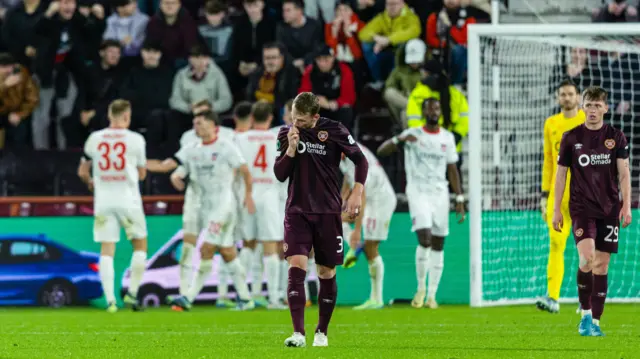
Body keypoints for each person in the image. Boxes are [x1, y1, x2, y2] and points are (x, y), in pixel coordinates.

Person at [274, 92, 369, 347]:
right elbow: (280, 174)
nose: (297, 124)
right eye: (294, 118)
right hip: (297, 211)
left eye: (302, 121)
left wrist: (357, 192)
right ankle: (298, 334)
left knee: (326, 271)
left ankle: (321, 332)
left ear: (316, 117)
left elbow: (361, 160)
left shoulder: (335, 130)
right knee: (296, 267)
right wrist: (292, 149)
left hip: (328, 212)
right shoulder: (286, 134)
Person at [553, 86, 632, 337]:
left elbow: (624, 174)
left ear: (605, 108)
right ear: (582, 106)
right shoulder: (571, 137)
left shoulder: (616, 137)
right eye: (589, 104)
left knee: (602, 266)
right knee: (586, 259)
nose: (593, 110)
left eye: (598, 105)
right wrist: (556, 209)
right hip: (581, 208)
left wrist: (626, 205)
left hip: (609, 209)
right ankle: (585, 315)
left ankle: (596, 322)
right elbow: (561, 175)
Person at [377, 97, 465, 309]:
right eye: (429, 108)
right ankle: (420, 288)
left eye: (436, 107)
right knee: (424, 238)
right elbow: (381, 151)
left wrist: (459, 198)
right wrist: (400, 140)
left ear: (440, 112)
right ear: (424, 112)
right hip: (418, 192)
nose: (433, 111)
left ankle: (432, 295)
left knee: (438, 243)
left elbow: (452, 169)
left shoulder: (447, 137)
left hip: (440, 193)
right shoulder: (413, 134)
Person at [167, 110, 257, 311]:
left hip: (223, 207)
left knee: (206, 248)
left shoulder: (225, 146)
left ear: (212, 125)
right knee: (227, 251)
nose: (196, 127)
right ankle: (246, 298)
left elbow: (244, 170)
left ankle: (188, 297)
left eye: (199, 123)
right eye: (194, 123)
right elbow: (182, 167)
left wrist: (248, 195)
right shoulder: (192, 149)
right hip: (205, 207)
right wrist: (176, 175)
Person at [77, 99, 148, 313]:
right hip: (129, 199)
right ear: (127, 116)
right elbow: (142, 173)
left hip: (104, 201)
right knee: (140, 246)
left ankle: (110, 301)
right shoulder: (136, 139)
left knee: (107, 250)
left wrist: (91, 182)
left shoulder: (94, 138)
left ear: (109, 116)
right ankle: (132, 295)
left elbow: (82, 171)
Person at [536, 80, 586, 313]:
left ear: (578, 97)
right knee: (556, 244)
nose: (566, 98)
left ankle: (585, 300)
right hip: (557, 196)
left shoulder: (588, 121)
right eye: (562, 94)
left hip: (584, 195)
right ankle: (553, 298)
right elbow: (548, 160)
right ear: (558, 98)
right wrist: (544, 195)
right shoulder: (551, 124)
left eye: (570, 94)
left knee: (586, 247)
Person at [234, 100, 288, 309]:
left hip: (248, 194)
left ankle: (243, 296)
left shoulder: (240, 138)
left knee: (247, 244)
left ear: (252, 118)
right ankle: (274, 298)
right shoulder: (278, 136)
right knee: (271, 246)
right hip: (270, 194)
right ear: (270, 118)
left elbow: (237, 168)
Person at [340, 142, 397, 310]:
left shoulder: (355, 158)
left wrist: (358, 230)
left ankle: (377, 299)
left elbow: (361, 196)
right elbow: (347, 178)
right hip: (372, 199)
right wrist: (342, 198)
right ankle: (356, 246)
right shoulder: (344, 151)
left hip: (380, 200)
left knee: (371, 247)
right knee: (337, 220)